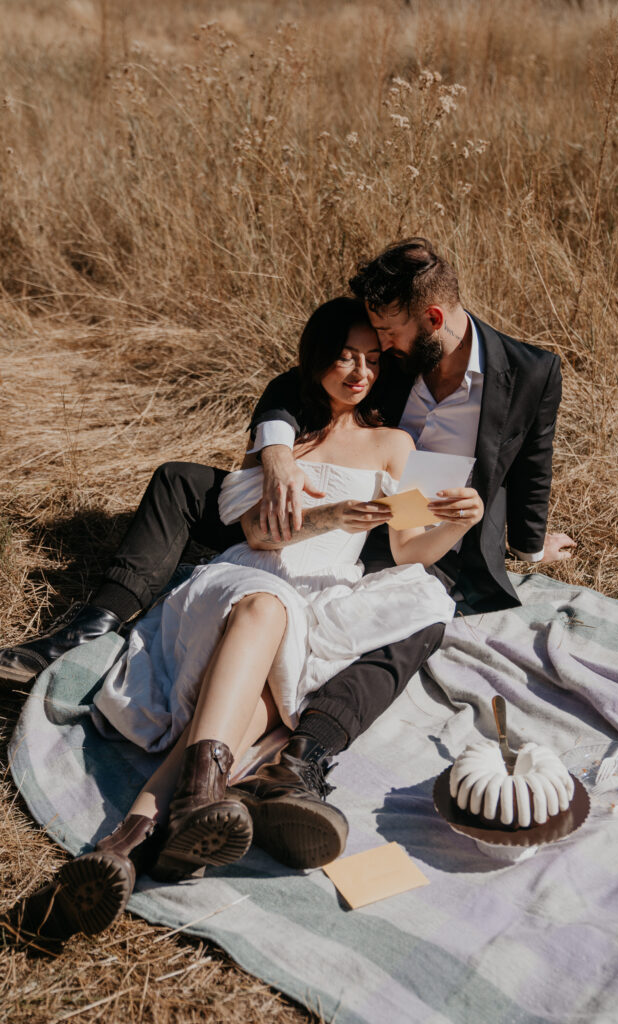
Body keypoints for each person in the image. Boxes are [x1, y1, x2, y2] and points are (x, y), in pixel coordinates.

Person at [1, 238, 574, 872]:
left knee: (417, 612)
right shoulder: (377, 363)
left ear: (431, 321)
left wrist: (526, 542)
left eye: (383, 341)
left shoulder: (524, 372)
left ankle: (253, 780)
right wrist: (275, 451)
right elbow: (300, 381)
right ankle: (94, 630)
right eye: (362, 349)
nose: (374, 357)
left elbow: (525, 470)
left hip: (413, 508)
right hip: (294, 519)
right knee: (181, 487)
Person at [12, 296, 483, 943]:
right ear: (317, 356)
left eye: (372, 359)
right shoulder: (285, 441)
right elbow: (258, 531)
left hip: (316, 607)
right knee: (267, 606)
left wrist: (460, 521)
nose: (358, 371)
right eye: (345, 355)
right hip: (241, 585)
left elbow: (406, 549)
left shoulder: (393, 445)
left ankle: (126, 845)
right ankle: (201, 800)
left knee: (255, 707)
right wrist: (327, 518)